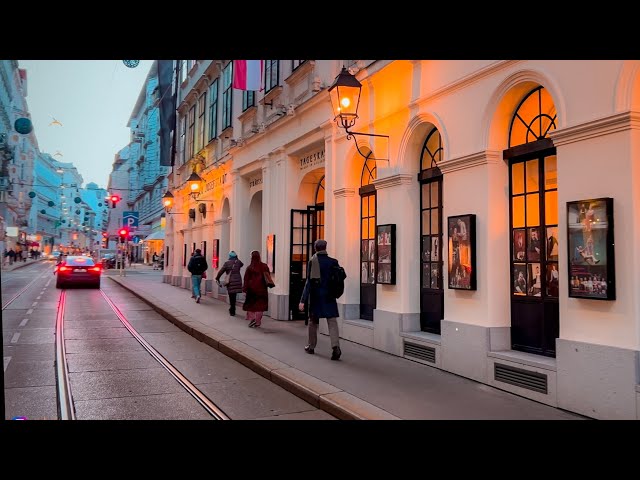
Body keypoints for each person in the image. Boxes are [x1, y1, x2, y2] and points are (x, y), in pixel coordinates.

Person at [298, 239, 342, 360]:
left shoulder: (313, 261)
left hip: (317, 296)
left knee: (312, 322)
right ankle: (335, 347)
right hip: (330, 295)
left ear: (315, 248)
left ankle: (311, 346)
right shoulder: (333, 262)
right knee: (332, 321)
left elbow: (309, 282)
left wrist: (302, 300)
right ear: (325, 248)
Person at [242, 250, 270, 328]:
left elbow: (246, 279)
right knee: (260, 306)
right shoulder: (264, 266)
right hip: (262, 289)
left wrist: (244, 290)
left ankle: (253, 318)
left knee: (251, 306)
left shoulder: (250, 267)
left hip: (251, 290)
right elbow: (268, 277)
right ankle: (258, 321)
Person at [216, 251, 244, 316]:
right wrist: (237, 259)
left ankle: (232, 310)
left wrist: (217, 278)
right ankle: (232, 308)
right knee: (234, 295)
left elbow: (221, 271)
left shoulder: (227, 263)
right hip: (237, 280)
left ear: (229, 256)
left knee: (231, 295)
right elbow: (242, 264)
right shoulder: (238, 262)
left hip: (230, 281)